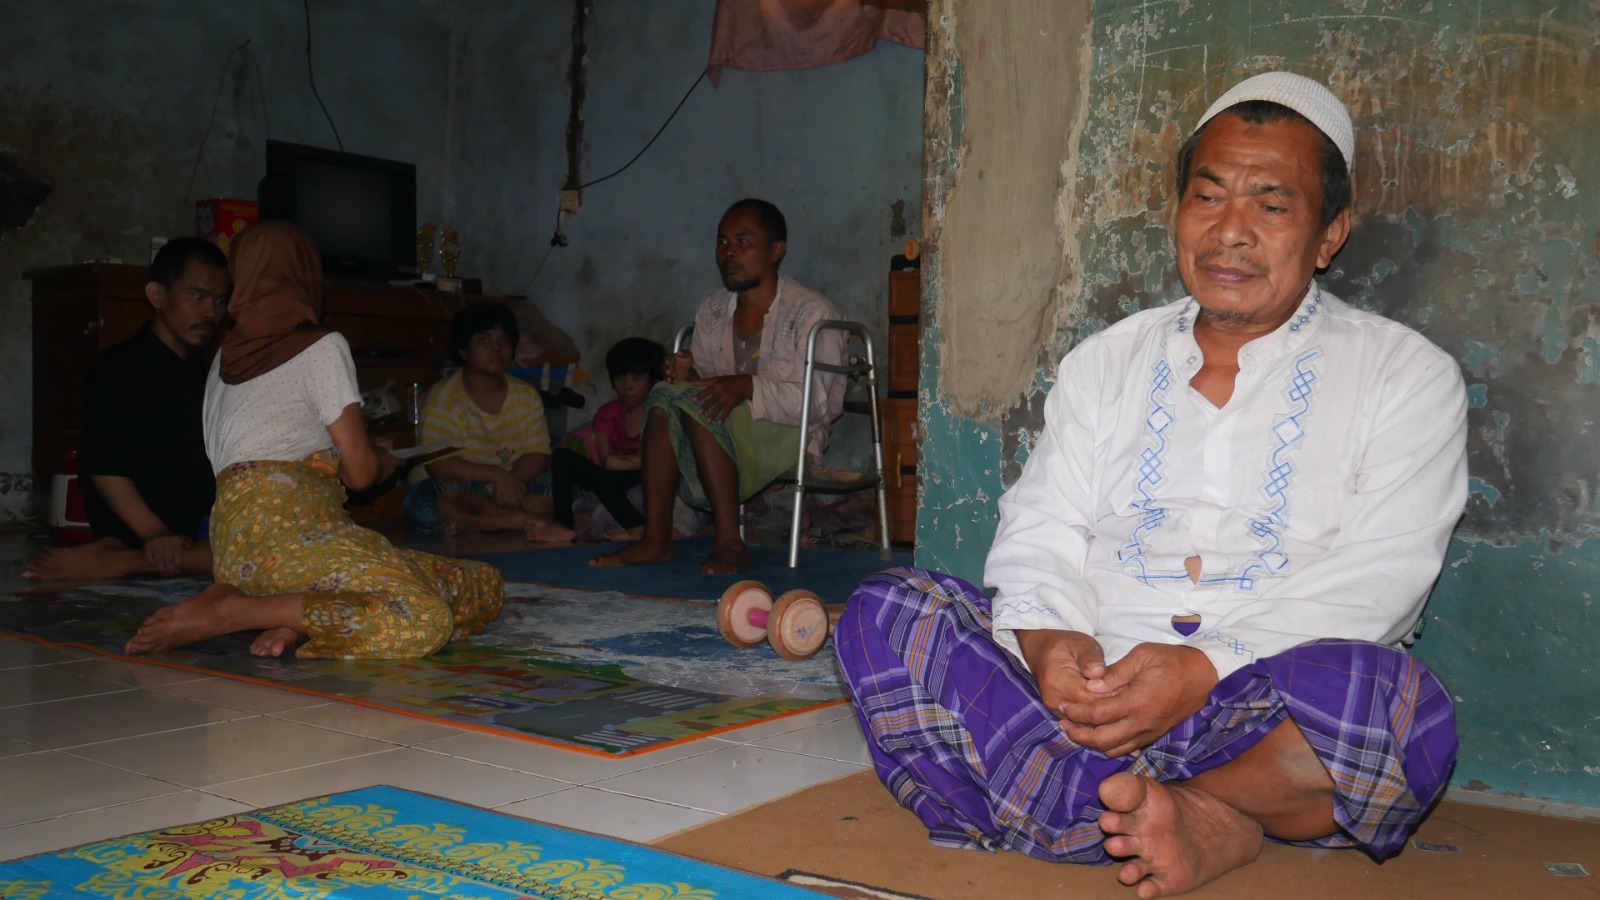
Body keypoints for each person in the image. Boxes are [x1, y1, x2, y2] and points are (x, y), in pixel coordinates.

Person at [835, 72, 1468, 898]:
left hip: (1254, 705)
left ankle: (1139, 805)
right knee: (890, 612)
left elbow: (1383, 578)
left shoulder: (1405, 375)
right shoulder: (1106, 362)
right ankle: (1201, 813)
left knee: (1400, 711)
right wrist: (1052, 644)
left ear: (1329, 235)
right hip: (1088, 699)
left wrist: (1202, 667)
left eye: (1272, 205)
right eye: (1207, 197)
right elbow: (1044, 524)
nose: (1229, 232)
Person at [124, 221, 503, 660]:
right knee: (420, 616)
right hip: (293, 535)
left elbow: (263, 453)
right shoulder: (321, 345)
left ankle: (291, 617)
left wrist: (346, 454)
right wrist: (385, 462)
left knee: (478, 584)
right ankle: (234, 612)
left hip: (233, 549)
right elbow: (360, 476)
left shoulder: (222, 359)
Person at [592, 199, 847, 574]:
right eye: (722, 241)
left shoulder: (813, 313)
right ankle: (655, 538)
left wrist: (746, 386)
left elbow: (818, 404)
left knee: (699, 403)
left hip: (790, 435)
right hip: (722, 429)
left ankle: (729, 541)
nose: (728, 252)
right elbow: (706, 387)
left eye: (743, 241)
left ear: (776, 250)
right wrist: (688, 375)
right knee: (664, 395)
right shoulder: (712, 310)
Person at [25, 238, 227, 581]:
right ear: (157, 295)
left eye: (220, 301)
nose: (210, 312)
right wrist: (155, 533)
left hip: (194, 534)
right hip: (139, 530)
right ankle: (127, 555)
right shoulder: (117, 368)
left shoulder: (211, 375)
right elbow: (103, 465)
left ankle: (125, 559)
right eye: (197, 296)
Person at [403, 302, 574, 542]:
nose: (496, 348)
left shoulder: (526, 395)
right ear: (463, 350)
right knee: (443, 497)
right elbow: (439, 465)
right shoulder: (441, 398)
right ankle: (537, 523)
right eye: (484, 339)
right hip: (456, 489)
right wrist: (497, 476)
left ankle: (483, 522)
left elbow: (538, 453)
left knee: (561, 485)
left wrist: (512, 482)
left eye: (504, 340)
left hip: (511, 488)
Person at [550, 336, 667, 538]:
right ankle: (562, 525)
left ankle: (635, 525)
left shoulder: (660, 413)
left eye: (636, 379)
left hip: (649, 478)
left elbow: (658, 463)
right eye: (620, 378)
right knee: (562, 457)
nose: (627, 386)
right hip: (615, 477)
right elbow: (607, 462)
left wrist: (629, 462)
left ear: (653, 381)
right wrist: (631, 461)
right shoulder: (608, 413)